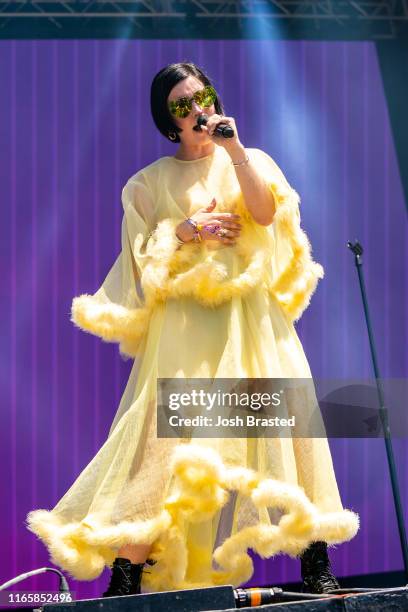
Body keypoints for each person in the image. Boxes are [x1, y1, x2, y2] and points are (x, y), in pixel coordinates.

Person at [25, 62, 359, 598]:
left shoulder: (247, 158)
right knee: (163, 441)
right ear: (168, 120)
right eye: (183, 104)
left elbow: (266, 214)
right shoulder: (148, 182)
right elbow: (138, 264)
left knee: (286, 427)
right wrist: (181, 231)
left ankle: (314, 560)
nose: (196, 109)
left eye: (202, 97)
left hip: (251, 319)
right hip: (186, 328)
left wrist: (234, 151)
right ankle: (126, 573)